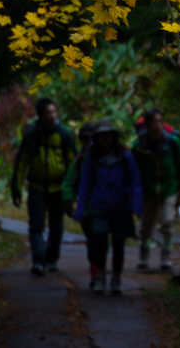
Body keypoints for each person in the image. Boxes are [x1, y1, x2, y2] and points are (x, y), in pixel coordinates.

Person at [75, 120, 142, 295]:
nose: (106, 138)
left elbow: (136, 181)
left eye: (108, 135)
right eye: (102, 135)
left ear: (114, 136)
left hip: (122, 207)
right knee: (100, 241)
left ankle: (116, 278)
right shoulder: (92, 158)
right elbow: (85, 184)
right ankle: (100, 277)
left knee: (119, 243)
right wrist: (80, 209)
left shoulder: (125, 156)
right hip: (100, 205)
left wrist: (136, 206)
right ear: (97, 138)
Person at [11, 98, 76, 277]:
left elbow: (73, 163)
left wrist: (73, 190)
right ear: (40, 115)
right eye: (48, 113)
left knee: (57, 226)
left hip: (58, 187)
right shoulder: (33, 134)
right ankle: (39, 261)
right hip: (37, 186)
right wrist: (16, 187)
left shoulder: (64, 134)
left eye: (54, 112)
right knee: (36, 226)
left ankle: (52, 259)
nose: (52, 116)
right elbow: (22, 161)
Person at [133, 108, 180, 273]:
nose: (157, 126)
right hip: (148, 190)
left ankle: (166, 255)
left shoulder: (172, 142)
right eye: (154, 122)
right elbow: (133, 170)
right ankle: (144, 254)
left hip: (169, 188)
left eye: (160, 121)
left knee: (167, 221)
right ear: (147, 125)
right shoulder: (139, 147)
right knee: (146, 225)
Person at [62, 122, 98, 288]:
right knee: (92, 241)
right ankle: (96, 272)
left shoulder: (111, 156)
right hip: (87, 208)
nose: (88, 143)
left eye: (90, 139)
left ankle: (101, 272)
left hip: (107, 206)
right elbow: (69, 182)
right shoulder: (79, 160)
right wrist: (68, 201)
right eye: (84, 139)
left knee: (102, 240)